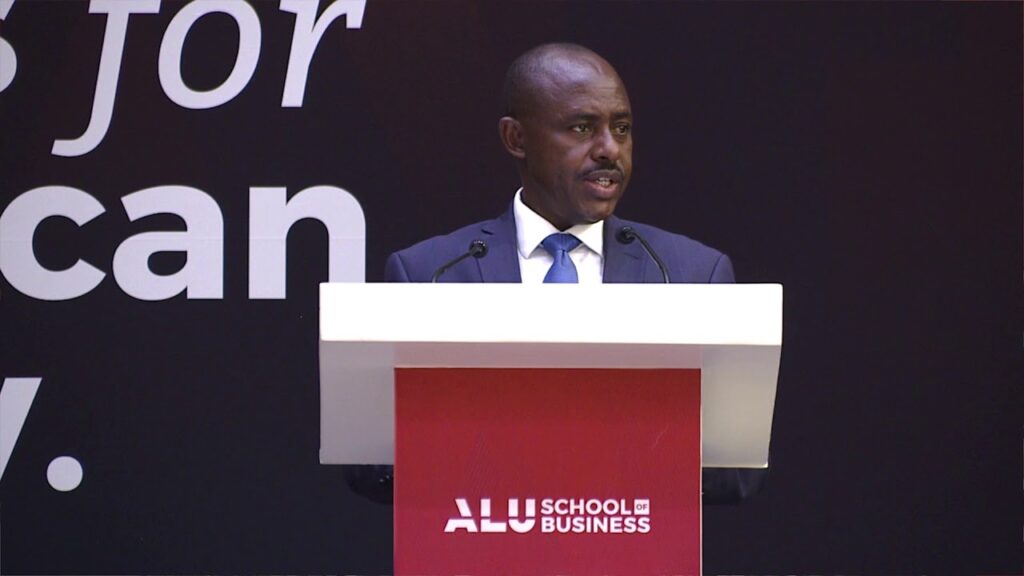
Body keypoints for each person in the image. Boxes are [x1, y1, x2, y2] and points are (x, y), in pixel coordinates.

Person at [349, 43, 764, 504]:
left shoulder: (692, 277)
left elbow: (734, 475)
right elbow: (372, 470)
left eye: (622, 129)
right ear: (516, 139)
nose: (609, 149)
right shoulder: (431, 275)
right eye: (582, 127)